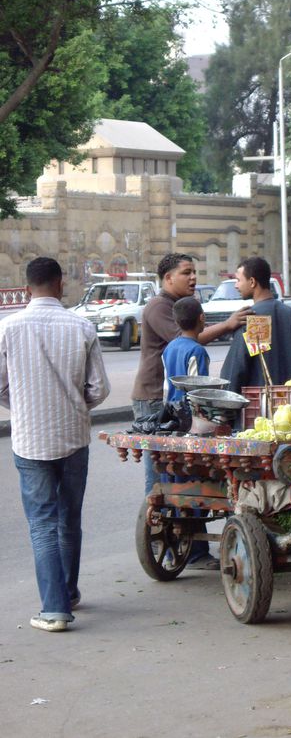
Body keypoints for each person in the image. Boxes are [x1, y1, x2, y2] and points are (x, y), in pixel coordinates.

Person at [0, 257, 110, 632]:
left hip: (29, 439)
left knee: (42, 523)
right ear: (61, 284)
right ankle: (68, 591)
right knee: (69, 518)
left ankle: (54, 608)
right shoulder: (81, 326)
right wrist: (74, 406)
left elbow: (0, 386)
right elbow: (99, 389)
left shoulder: (8, 328)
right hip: (74, 436)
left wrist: (25, 407)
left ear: (26, 286)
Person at [131, 253, 247, 495]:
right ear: (168, 278)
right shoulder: (158, 306)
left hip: (172, 400)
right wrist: (227, 325)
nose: (193, 277)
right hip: (154, 399)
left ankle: (177, 519)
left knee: (177, 468)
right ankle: (159, 520)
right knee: (160, 470)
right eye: (186, 273)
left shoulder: (178, 305)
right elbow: (186, 340)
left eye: (194, 272)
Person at [161, 296, 218, 570]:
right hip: (190, 424)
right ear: (202, 319)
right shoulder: (196, 351)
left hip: (171, 421)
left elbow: (165, 389)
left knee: (173, 484)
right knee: (197, 482)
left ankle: (175, 549)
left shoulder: (170, 348)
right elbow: (198, 391)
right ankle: (197, 551)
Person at [220, 256, 291, 393]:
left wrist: (225, 407)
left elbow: (236, 369)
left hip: (260, 404)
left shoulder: (254, 318)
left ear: (252, 282)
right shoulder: (290, 314)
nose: (236, 285)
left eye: (238, 280)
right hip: (290, 401)